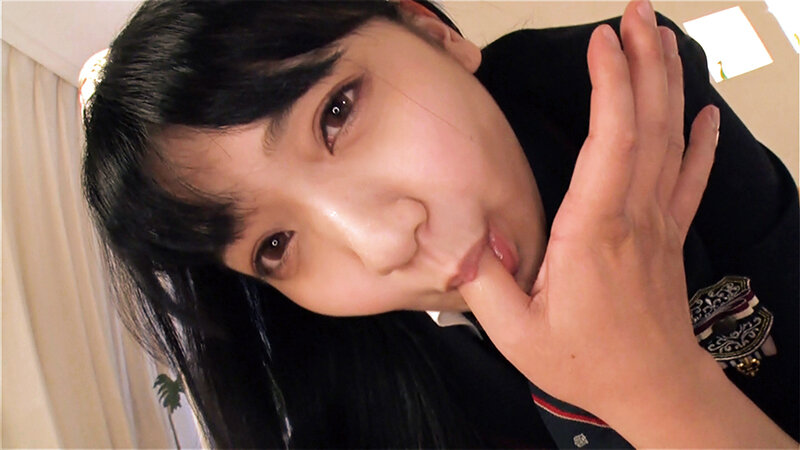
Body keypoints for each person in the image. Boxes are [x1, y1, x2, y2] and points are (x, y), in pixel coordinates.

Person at [81, 0, 798, 447]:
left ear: (431, 33)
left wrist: (657, 390)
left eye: (337, 113)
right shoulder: (358, 402)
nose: (381, 243)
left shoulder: (635, 103)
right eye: (274, 245)